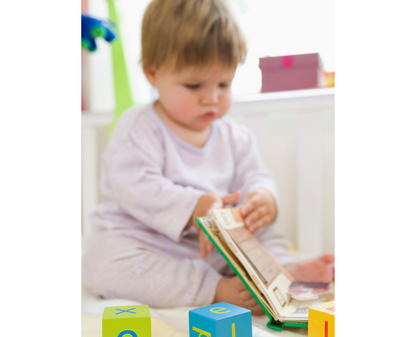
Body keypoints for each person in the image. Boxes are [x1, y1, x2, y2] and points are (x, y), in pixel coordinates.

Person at [81, 0, 334, 315]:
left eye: (224, 84)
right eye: (194, 85)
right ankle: (215, 289)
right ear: (152, 72)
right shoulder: (137, 127)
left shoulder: (235, 136)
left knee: (264, 229)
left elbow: (256, 174)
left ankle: (281, 273)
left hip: (217, 249)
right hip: (150, 244)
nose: (212, 98)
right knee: (99, 258)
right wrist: (194, 206)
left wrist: (262, 197)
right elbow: (134, 185)